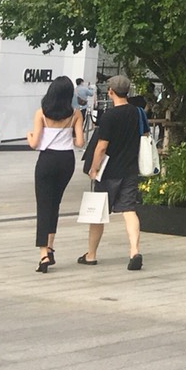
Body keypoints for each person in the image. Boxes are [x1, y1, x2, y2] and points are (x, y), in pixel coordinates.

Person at [78, 75, 146, 271]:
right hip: (130, 169)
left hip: (108, 171)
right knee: (129, 210)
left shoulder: (109, 116)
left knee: (98, 213)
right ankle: (134, 251)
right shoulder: (137, 113)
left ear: (110, 91)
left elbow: (101, 147)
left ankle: (91, 255)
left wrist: (93, 168)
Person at [27, 76, 84, 273]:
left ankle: (43, 253)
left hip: (47, 160)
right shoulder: (75, 114)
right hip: (66, 160)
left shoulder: (41, 113)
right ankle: (50, 246)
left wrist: (28, 136)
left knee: (43, 205)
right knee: (55, 204)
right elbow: (80, 143)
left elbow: (35, 144)